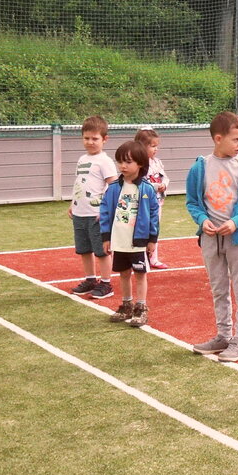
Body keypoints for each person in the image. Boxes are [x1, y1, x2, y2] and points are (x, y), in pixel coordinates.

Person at [187, 111, 238, 362]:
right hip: (211, 240)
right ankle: (223, 336)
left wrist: (236, 222)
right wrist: (203, 221)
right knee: (219, 289)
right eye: (236, 139)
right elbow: (193, 202)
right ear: (218, 138)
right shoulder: (200, 167)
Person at [101, 141, 159, 328]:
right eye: (120, 162)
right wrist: (106, 237)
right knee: (124, 273)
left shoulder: (147, 189)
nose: (122, 166)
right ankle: (127, 305)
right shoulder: (113, 188)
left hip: (138, 242)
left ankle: (141, 307)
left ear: (140, 163)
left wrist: (152, 239)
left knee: (140, 274)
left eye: (128, 162)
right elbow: (105, 212)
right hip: (119, 241)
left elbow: (154, 214)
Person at [70, 115, 118, 299]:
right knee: (84, 249)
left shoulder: (105, 161)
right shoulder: (82, 159)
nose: (90, 142)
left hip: (97, 214)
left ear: (105, 139)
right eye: (86, 138)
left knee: (102, 250)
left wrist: (106, 211)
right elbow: (80, 183)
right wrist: (73, 204)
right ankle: (90, 279)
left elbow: (113, 187)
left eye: (95, 138)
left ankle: (106, 283)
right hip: (80, 213)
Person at [135, 127, 170, 269]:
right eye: (152, 146)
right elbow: (139, 182)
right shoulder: (138, 164)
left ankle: (153, 258)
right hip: (142, 204)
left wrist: (164, 185)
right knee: (141, 230)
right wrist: (155, 186)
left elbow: (165, 177)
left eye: (156, 146)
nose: (156, 149)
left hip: (157, 202)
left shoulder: (157, 162)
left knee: (154, 229)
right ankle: (140, 257)